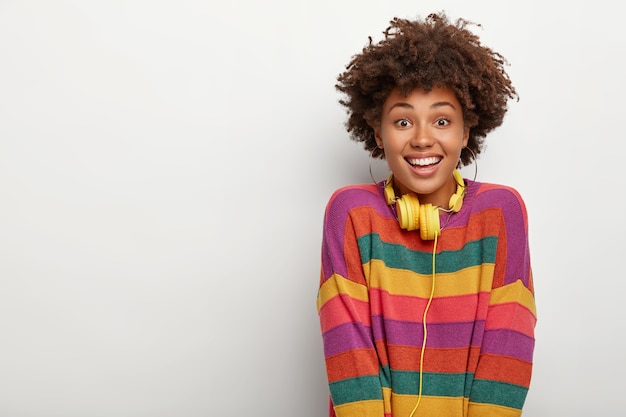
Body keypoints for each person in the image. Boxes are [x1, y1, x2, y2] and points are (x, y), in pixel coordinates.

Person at [316, 12, 536, 417]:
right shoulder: (350, 212)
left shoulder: (501, 212)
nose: (421, 138)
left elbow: (509, 345)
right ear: (378, 131)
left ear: (466, 131)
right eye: (402, 121)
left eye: (441, 120)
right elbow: (347, 346)